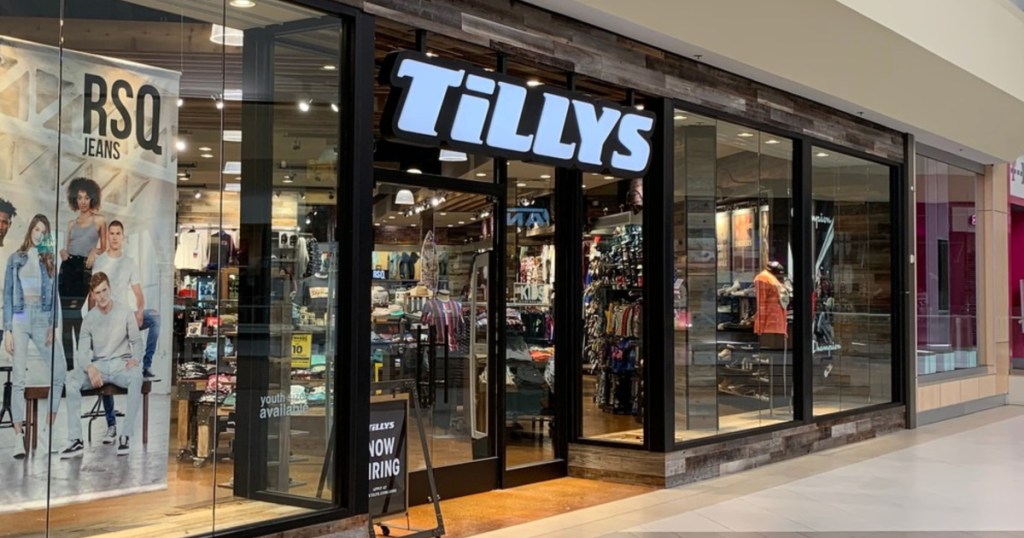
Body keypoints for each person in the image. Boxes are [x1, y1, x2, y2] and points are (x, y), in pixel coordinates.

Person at [3, 214, 66, 459]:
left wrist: (53, 325)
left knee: (59, 370)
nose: (39, 234)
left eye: (43, 232)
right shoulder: (15, 258)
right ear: (31, 229)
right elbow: (8, 295)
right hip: (20, 317)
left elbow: (54, 295)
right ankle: (18, 437)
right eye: (37, 229)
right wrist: (7, 331)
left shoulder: (48, 260)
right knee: (19, 378)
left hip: (42, 317)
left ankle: (47, 431)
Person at [91, 220, 160, 444]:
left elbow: (138, 292)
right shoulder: (101, 261)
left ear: (123, 237)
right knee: (104, 363)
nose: (114, 237)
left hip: (125, 316)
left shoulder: (129, 262)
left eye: (118, 233)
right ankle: (111, 425)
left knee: (154, 318)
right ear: (108, 236)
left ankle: (146, 364)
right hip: (106, 318)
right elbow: (94, 293)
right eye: (111, 233)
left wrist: (139, 310)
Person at [61, 272, 142, 458]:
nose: (103, 296)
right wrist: (89, 367)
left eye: (105, 290)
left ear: (110, 289)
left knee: (137, 376)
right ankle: (76, 440)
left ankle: (125, 436)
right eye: (98, 292)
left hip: (121, 365)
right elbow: (82, 352)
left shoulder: (125, 312)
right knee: (71, 380)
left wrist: (136, 358)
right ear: (92, 295)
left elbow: (137, 341)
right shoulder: (89, 319)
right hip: (99, 367)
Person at [59, 177, 106, 371]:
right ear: (74, 199)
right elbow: (67, 248)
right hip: (68, 268)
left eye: (86, 197)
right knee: (66, 317)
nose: (83, 201)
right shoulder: (71, 223)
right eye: (79, 198)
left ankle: (82, 363)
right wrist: (63, 253)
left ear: (92, 198)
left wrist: (95, 251)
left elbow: (104, 248)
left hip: (84, 269)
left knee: (76, 313)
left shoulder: (99, 220)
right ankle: (70, 368)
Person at [0, 197, 17, 359]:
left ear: (9, 225)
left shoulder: (11, 255)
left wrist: (8, 330)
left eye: (4, 222)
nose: (0, 226)